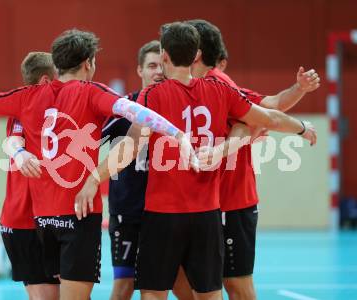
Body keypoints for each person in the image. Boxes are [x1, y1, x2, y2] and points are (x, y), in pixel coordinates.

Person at [0, 29, 197, 300]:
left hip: (43, 218)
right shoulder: (90, 92)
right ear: (88, 63)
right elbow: (137, 112)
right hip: (77, 213)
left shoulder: (29, 95)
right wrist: (177, 133)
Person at [75, 21, 317, 300]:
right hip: (207, 215)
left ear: (164, 56)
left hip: (162, 213)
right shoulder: (220, 90)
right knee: (209, 293)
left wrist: (94, 179)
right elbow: (270, 117)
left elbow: (129, 146)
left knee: (153, 291)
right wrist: (300, 128)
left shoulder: (152, 95)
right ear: (195, 57)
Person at [172, 19, 321, 300]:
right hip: (201, 201)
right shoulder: (188, 86)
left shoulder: (218, 83)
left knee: (236, 284)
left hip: (232, 199)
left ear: (196, 52)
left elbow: (269, 109)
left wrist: (298, 106)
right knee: (188, 282)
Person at [101, 40, 163, 300]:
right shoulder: (124, 107)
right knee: (124, 285)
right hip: (128, 209)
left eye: (162, 65)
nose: (158, 71)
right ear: (140, 71)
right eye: (151, 66)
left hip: (166, 211)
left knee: (164, 285)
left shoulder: (179, 106)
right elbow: (86, 136)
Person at [0, 51, 60, 300]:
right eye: (59, 76)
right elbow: (13, 140)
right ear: (46, 81)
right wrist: (20, 153)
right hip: (25, 220)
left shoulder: (61, 110)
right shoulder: (23, 109)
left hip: (53, 219)